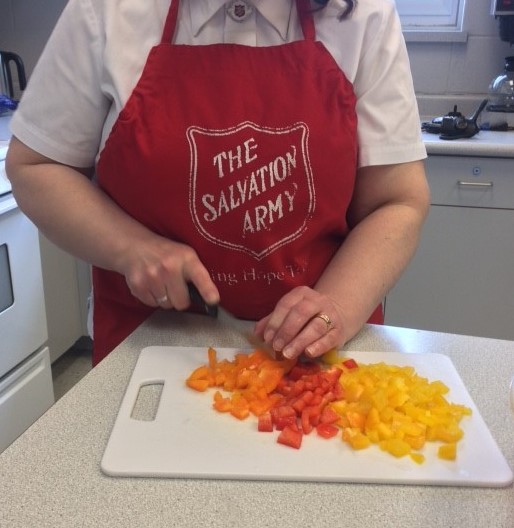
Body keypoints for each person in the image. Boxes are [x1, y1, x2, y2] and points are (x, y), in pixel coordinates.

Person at [6, 0, 430, 366]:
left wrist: (335, 304)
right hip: (153, 346)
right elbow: (37, 167)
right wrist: (132, 248)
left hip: (317, 355)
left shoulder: (362, 16)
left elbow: (397, 202)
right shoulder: (108, 12)